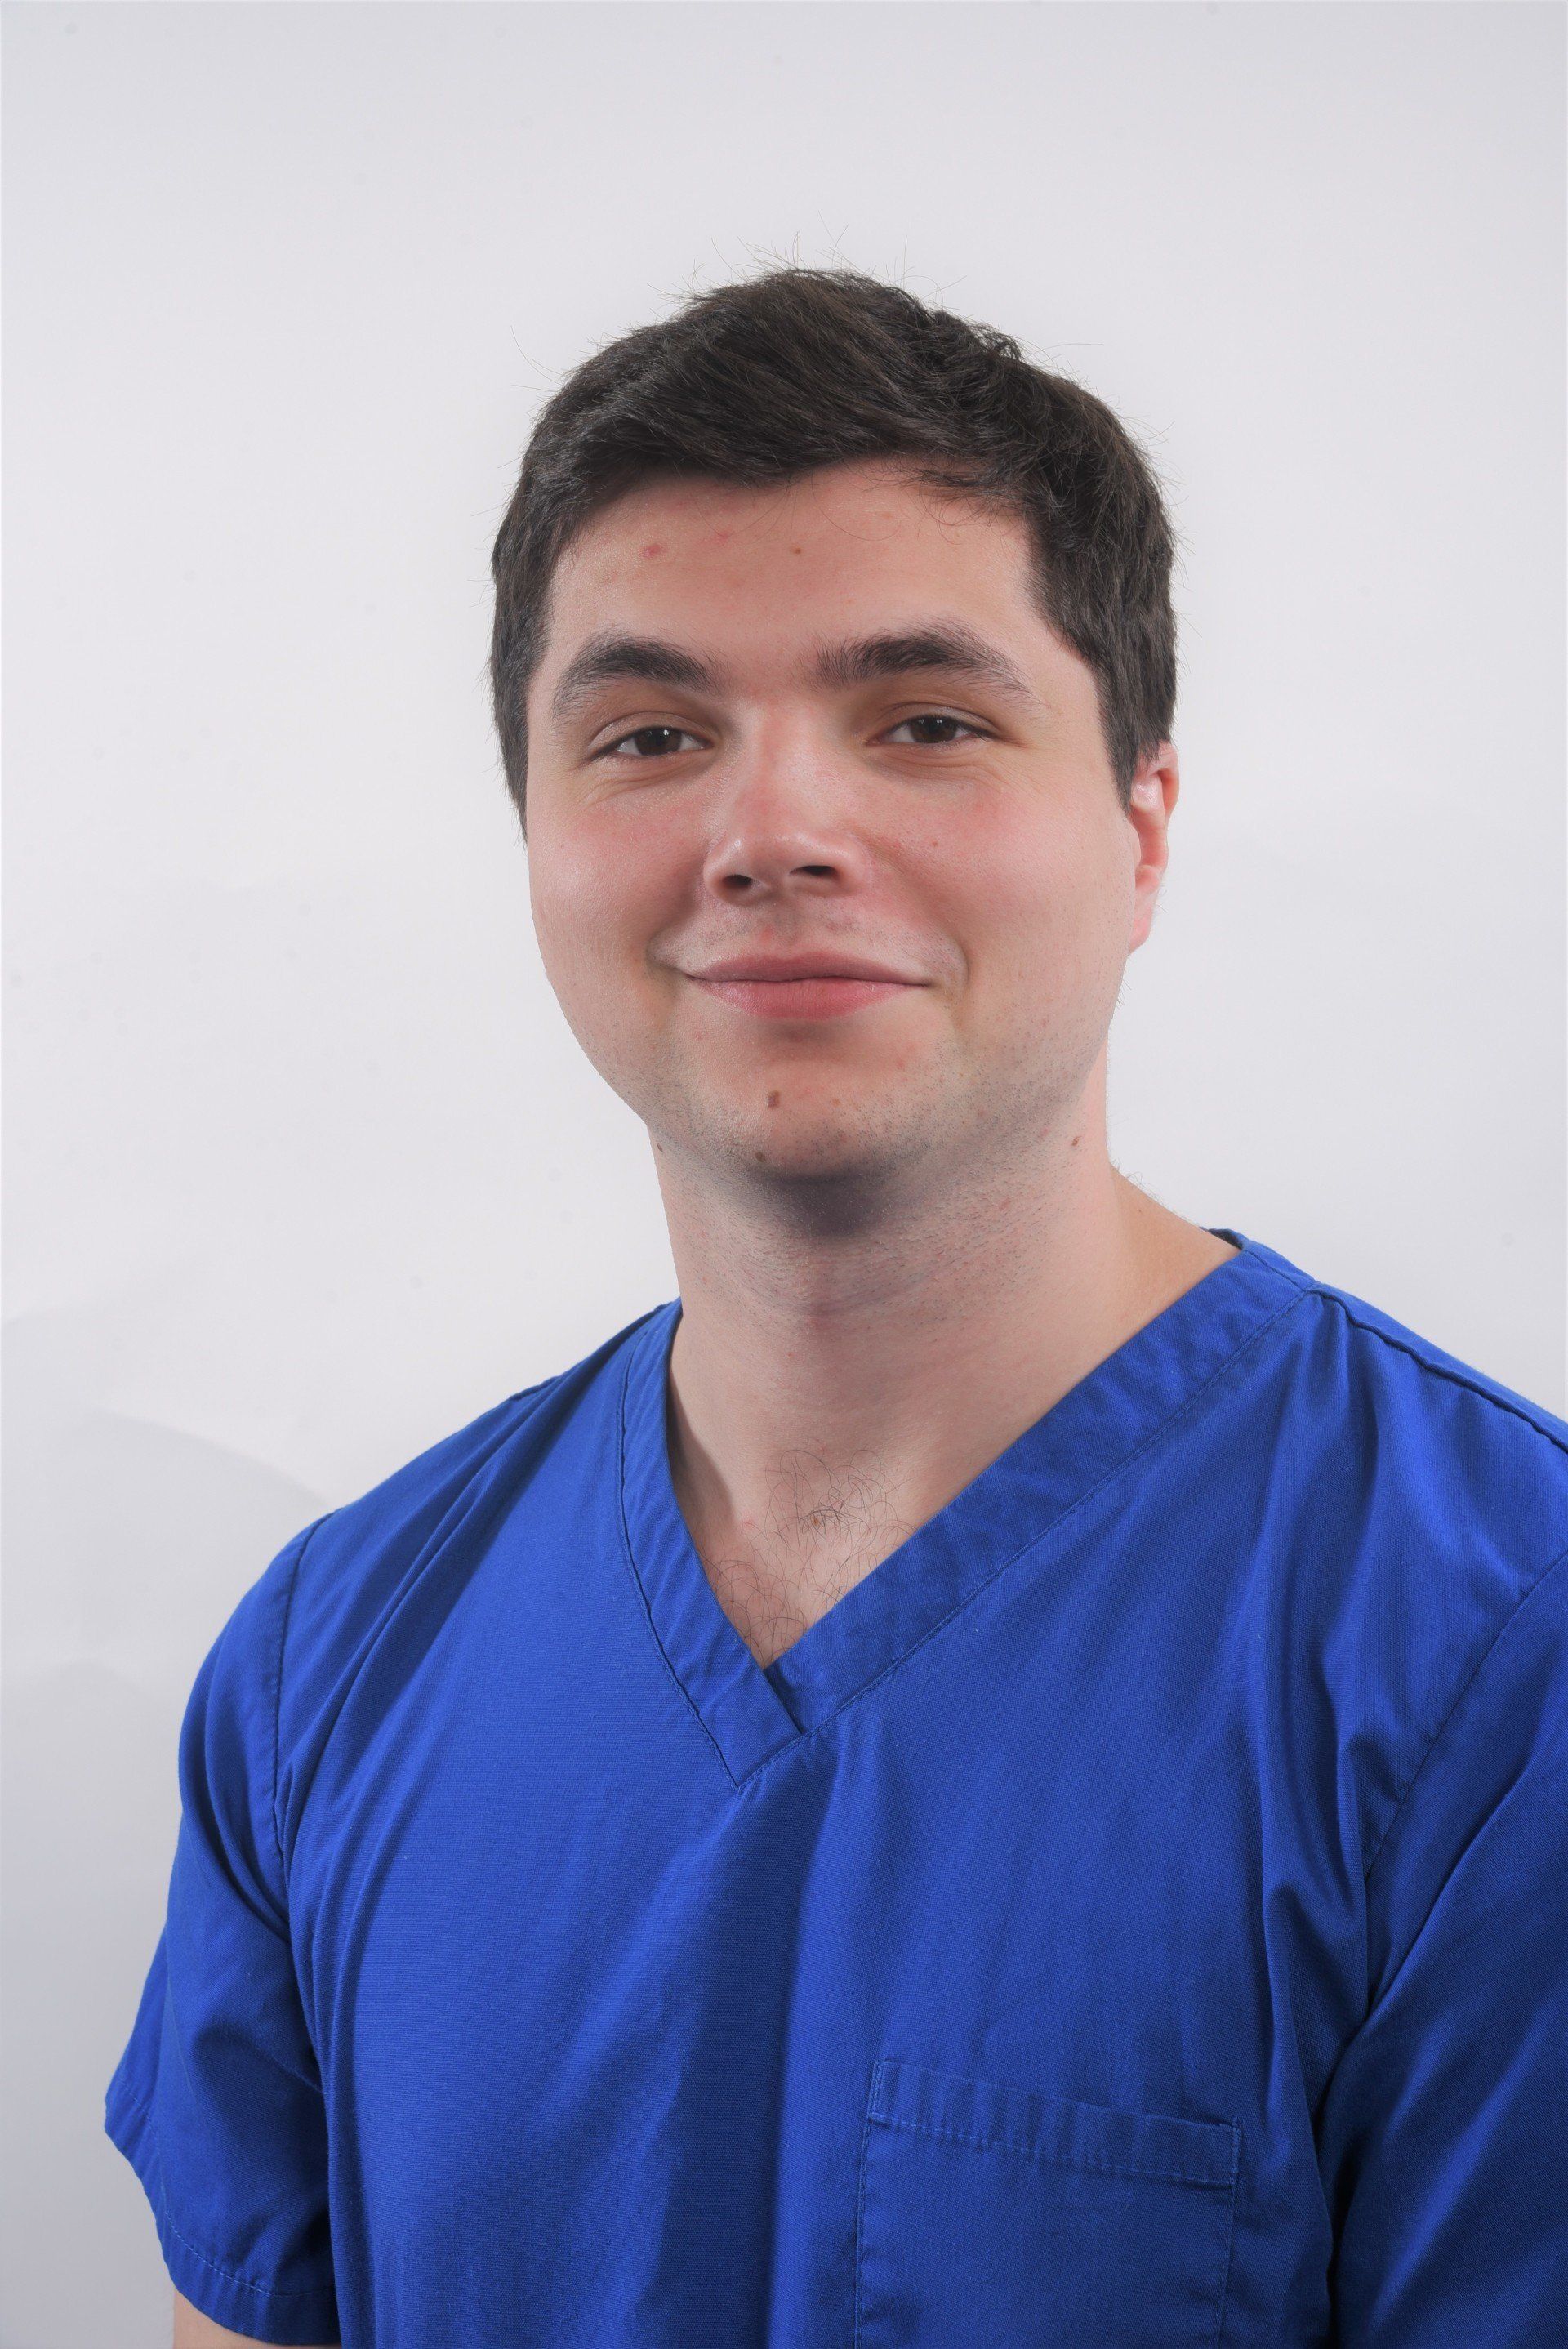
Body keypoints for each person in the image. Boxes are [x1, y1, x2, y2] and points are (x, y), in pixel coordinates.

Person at [105, 265, 1567, 2349]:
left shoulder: (1501, 1657)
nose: (775, 830)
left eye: (928, 721)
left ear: (1143, 829)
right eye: (650, 735)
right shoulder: (332, 1662)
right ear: (535, 834)